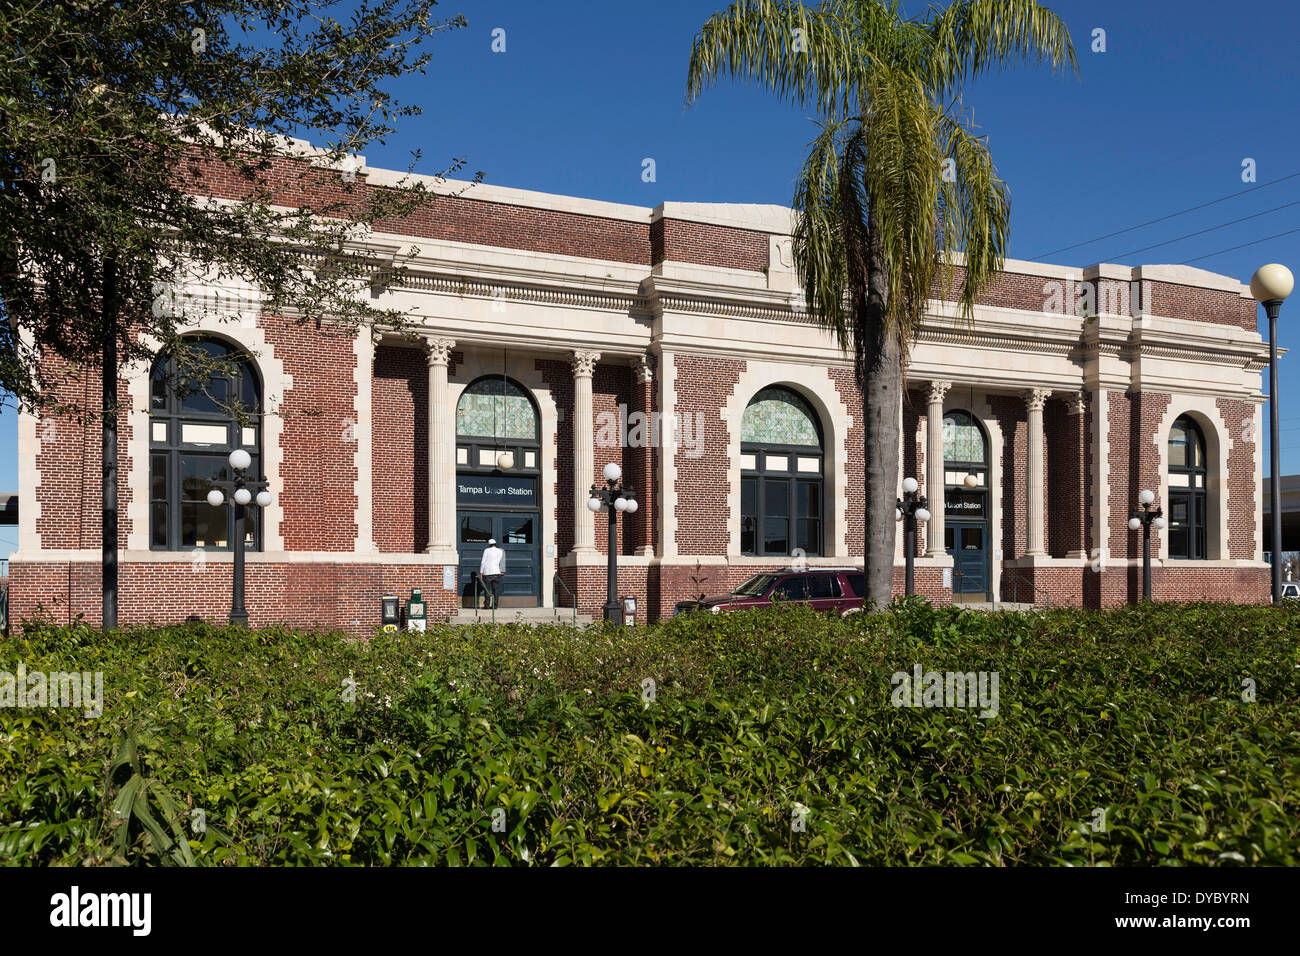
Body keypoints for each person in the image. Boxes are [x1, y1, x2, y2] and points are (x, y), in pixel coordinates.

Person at [479, 538, 506, 609]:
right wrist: (501, 571)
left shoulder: (487, 550)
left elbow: (483, 562)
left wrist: (481, 572)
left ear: (489, 544)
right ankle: (495, 606)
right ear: (495, 544)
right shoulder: (500, 551)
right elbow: (501, 561)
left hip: (488, 573)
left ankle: (487, 605)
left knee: (487, 590)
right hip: (497, 572)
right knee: (495, 590)